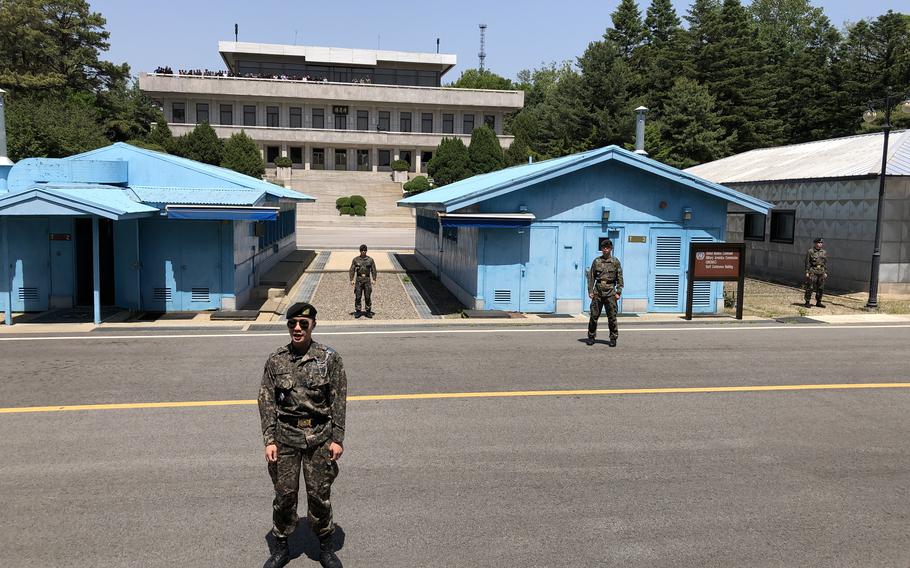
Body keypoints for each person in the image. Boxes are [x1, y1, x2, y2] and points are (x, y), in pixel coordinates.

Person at [258, 302, 347, 568]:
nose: (297, 328)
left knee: (319, 494)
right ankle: (281, 547)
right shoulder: (276, 360)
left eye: (303, 324)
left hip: (319, 436)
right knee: (284, 494)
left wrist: (338, 438)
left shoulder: (329, 358)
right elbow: (266, 401)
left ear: (313, 325)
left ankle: (326, 547)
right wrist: (269, 440)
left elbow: (338, 398)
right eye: (292, 323)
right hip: (286, 437)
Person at [586, 239, 624, 347]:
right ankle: (591, 337)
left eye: (607, 247)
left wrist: (618, 292)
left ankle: (613, 338)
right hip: (598, 292)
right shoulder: (596, 261)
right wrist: (590, 291)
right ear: (601, 249)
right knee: (594, 316)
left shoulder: (615, 262)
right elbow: (591, 277)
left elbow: (620, 277)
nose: (605, 249)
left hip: (611, 292)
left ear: (611, 249)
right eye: (603, 248)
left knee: (612, 317)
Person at [349, 244, 377, 318]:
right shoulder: (356, 260)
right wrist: (351, 279)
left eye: (365, 250)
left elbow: (373, 270)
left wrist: (374, 279)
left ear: (366, 251)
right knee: (358, 296)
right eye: (362, 250)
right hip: (359, 280)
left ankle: (368, 311)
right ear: (360, 251)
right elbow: (352, 270)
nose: (363, 252)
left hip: (367, 280)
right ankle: (358, 311)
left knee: (367, 296)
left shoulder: (370, 260)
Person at [804, 237, 827, 308]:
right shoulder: (810, 251)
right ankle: (807, 302)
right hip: (813, 271)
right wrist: (807, 272)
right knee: (810, 287)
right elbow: (807, 262)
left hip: (821, 272)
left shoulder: (824, 252)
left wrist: (825, 272)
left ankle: (818, 302)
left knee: (821, 287)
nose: (820, 244)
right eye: (818, 243)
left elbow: (825, 263)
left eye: (821, 243)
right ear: (815, 243)